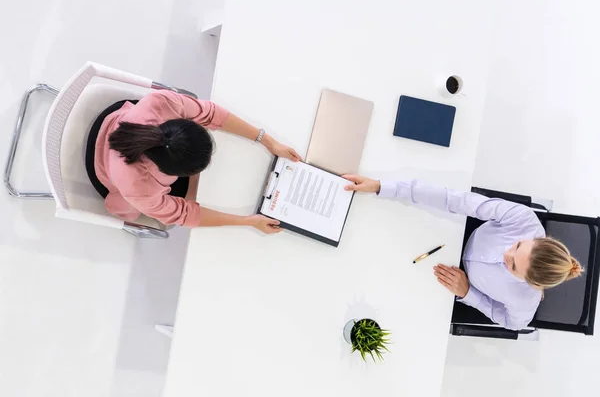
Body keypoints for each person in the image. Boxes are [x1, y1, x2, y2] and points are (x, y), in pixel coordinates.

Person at [343, 174, 583, 330]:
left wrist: (469, 293)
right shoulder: (523, 220)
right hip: (455, 234)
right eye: (517, 246)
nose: (504, 255)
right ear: (538, 240)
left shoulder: (525, 299)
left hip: (447, 279)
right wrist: (382, 187)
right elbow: (455, 200)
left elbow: (513, 324)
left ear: (531, 283)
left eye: (512, 266)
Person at [87, 90, 301, 234]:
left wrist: (268, 142)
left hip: (118, 121)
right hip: (103, 168)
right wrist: (248, 221)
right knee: (168, 218)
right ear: (172, 173)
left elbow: (211, 113)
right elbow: (184, 214)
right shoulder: (141, 188)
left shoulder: (160, 103)